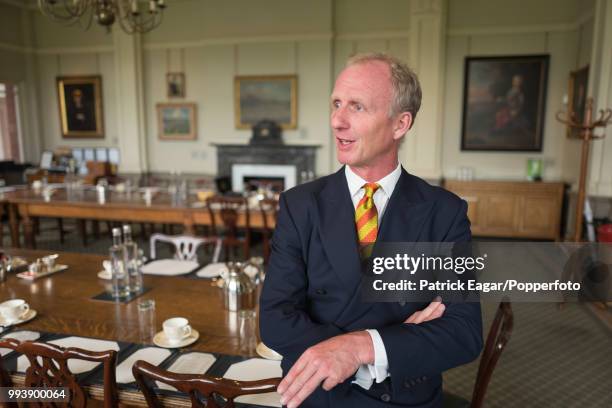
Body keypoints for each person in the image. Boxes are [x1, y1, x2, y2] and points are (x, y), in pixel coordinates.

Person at [259, 53, 483, 408]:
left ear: (400, 124)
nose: (337, 121)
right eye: (336, 104)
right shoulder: (299, 205)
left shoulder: (445, 212)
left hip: (405, 397)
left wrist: (360, 347)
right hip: (320, 392)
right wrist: (395, 342)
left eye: (357, 107)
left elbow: (462, 332)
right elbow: (274, 319)